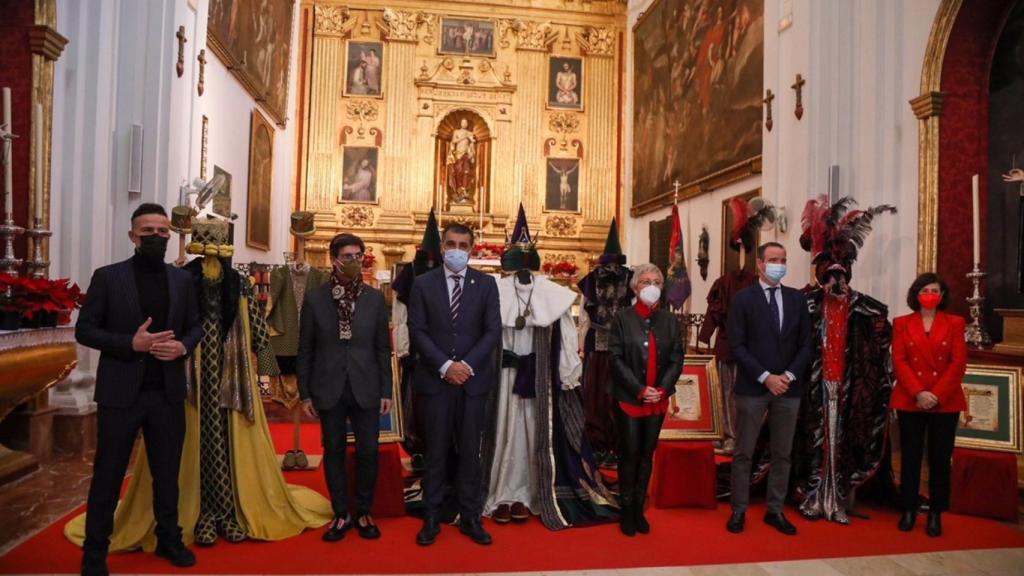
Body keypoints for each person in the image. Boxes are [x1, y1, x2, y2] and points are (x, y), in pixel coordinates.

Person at [75, 203, 201, 576]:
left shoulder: (182, 281)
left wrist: (183, 347)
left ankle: (169, 539)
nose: (157, 237)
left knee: (167, 473)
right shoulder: (108, 277)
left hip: (167, 391)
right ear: (132, 236)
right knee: (108, 474)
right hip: (120, 393)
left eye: (163, 231)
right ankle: (95, 553)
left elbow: (195, 326)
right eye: (148, 232)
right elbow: (86, 330)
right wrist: (131, 344)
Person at [482, 206, 616, 529]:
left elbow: (568, 342)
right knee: (503, 433)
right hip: (501, 378)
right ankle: (501, 494)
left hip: (539, 380)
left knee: (534, 433)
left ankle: (531, 492)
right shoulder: (493, 292)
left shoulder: (553, 296)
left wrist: (568, 375)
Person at [791, 195, 896, 524]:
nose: (836, 280)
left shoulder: (866, 309)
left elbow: (881, 340)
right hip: (813, 388)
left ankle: (836, 498)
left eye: (841, 273)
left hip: (848, 389)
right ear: (822, 273)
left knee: (842, 444)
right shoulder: (804, 305)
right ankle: (812, 495)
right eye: (830, 274)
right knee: (813, 443)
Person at [408, 222, 502, 546]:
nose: (457, 250)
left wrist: (466, 366)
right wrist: (446, 366)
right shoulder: (423, 284)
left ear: (471, 249)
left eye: (463, 245)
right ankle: (431, 517)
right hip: (436, 382)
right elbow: (417, 330)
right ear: (443, 247)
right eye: (452, 244)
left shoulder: (487, 284)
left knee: (470, 455)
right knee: (434, 451)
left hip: (473, 383)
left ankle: (470, 517)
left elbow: (492, 331)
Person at [297, 233, 394, 542]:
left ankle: (364, 511)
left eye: (358, 256)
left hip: (366, 385)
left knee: (369, 450)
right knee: (334, 450)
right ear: (334, 259)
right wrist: (305, 393)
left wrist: (386, 391)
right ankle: (341, 513)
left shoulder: (375, 298)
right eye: (348, 256)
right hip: (328, 386)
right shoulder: (315, 299)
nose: (354, 262)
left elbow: (382, 348)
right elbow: (306, 350)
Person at [726, 241, 813, 536]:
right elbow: (737, 344)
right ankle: (738, 510)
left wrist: (787, 375)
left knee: (782, 453)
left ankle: (775, 510)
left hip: (789, 388)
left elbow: (806, 343)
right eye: (774, 259)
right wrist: (766, 376)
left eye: (783, 259)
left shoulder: (796, 299)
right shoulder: (743, 299)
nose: (780, 264)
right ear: (760, 264)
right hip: (753, 386)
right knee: (744, 453)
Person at [609, 263, 685, 536]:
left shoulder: (670, 320)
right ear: (635, 287)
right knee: (629, 453)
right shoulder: (622, 318)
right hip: (630, 398)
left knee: (646, 454)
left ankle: (639, 507)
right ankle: (626, 508)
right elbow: (615, 359)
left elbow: (677, 358)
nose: (651, 286)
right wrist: (640, 389)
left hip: (658, 399)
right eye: (645, 282)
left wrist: (662, 390)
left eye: (656, 281)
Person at [890, 273, 966, 537]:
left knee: (939, 459)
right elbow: (899, 361)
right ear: (916, 294)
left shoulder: (956, 323)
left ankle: (935, 512)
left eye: (935, 290)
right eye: (925, 289)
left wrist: (935, 394)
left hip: (945, 401)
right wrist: (919, 392)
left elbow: (958, 363)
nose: (930, 294)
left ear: (942, 295)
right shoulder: (901, 323)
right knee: (910, 457)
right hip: (911, 399)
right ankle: (909, 509)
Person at [578, 219, 633, 466]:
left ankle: (606, 445)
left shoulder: (592, 280)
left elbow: (583, 318)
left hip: (611, 347)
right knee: (603, 397)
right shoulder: (629, 279)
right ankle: (608, 445)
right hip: (607, 347)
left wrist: (580, 345)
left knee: (601, 397)